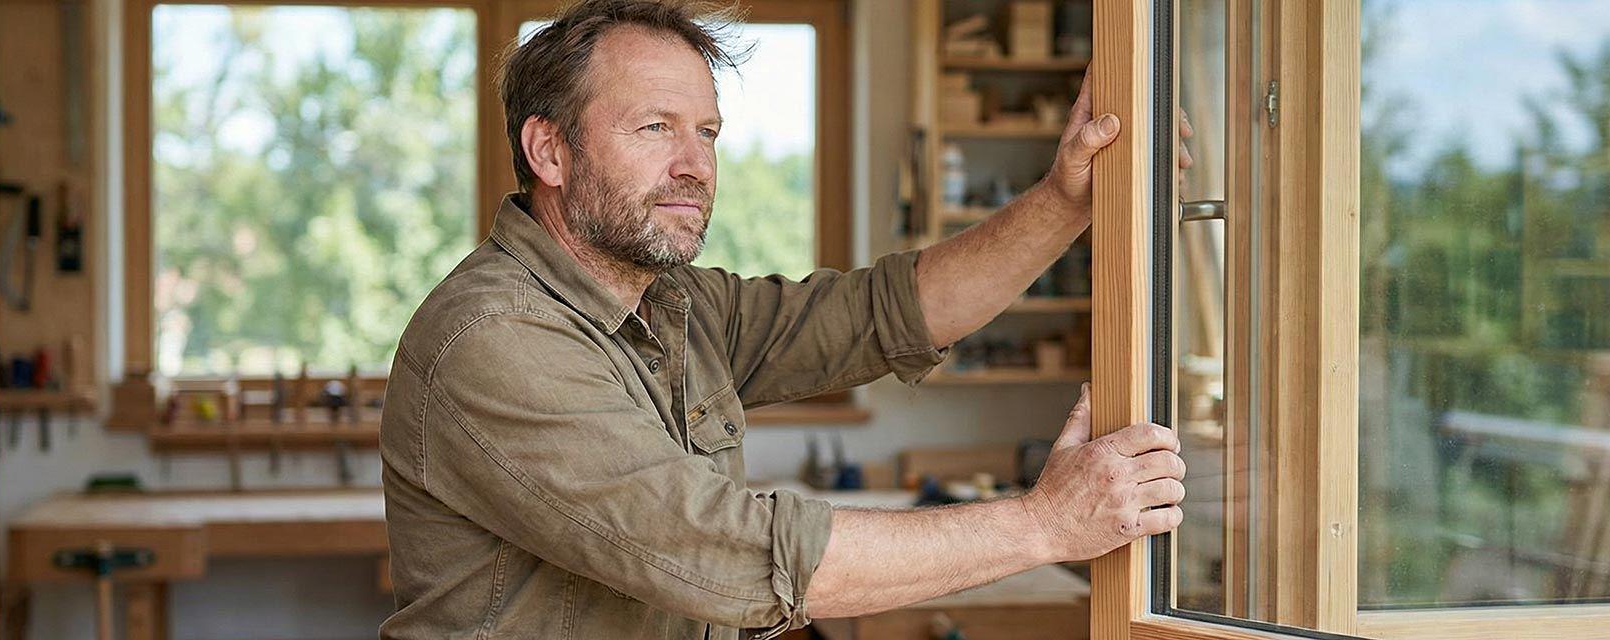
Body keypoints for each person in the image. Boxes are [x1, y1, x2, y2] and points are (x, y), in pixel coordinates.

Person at [379, 1, 1189, 637]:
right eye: (655, 127)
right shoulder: (495, 338)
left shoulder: (676, 304)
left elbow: (883, 314)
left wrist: (1061, 204)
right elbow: (732, 555)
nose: (695, 164)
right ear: (549, 152)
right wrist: (1043, 525)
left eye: (707, 132)